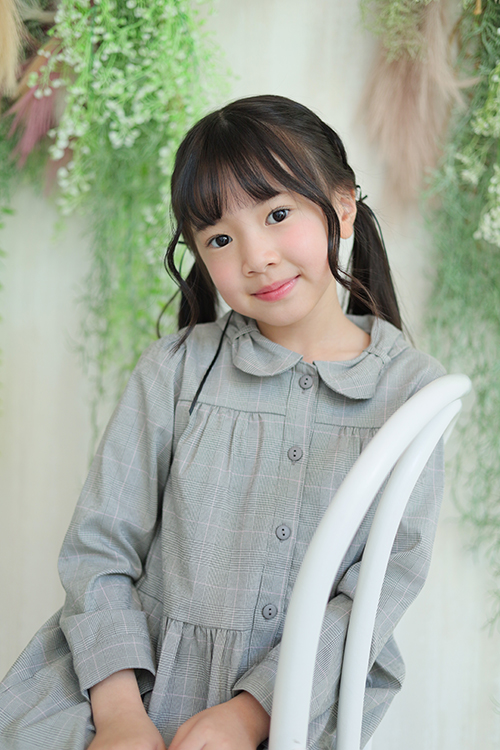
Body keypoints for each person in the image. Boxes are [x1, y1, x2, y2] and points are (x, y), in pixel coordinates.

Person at [0, 95, 445, 750]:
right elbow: (100, 548)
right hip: (122, 685)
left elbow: (374, 595)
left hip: (296, 708)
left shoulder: (412, 392)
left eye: (278, 214)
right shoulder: (174, 370)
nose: (256, 256)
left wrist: (251, 715)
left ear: (343, 206)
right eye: (220, 239)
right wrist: (120, 716)